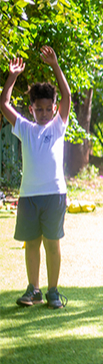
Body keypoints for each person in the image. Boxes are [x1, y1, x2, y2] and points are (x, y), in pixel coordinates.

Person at [0, 47, 71, 309]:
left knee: (52, 244)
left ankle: (53, 291)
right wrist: (12, 77)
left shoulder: (58, 126)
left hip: (54, 195)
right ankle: (34, 289)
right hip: (28, 196)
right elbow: (3, 104)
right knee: (31, 244)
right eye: (38, 109)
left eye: (47, 109)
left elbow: (67, 94)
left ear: (54, 109)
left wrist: (55, 64)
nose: (43, 113)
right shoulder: (25, 129)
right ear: (31, 109)